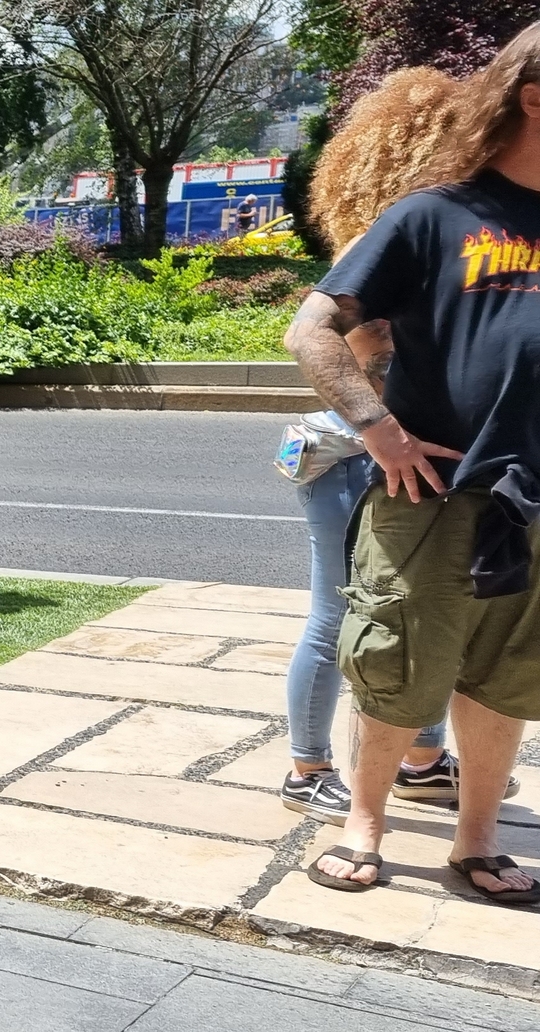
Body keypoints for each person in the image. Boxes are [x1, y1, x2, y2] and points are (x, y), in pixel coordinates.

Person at [284, 23, 540, 905]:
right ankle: (363, 824)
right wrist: (377, 429)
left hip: (534, 502)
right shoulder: (436, 215)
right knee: (394, 664)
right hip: (435, 491)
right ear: (533, 97)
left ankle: (476, 842)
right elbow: (311, 327)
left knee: (507, 675)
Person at [281, 69, 489, 825]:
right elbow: (346, 346)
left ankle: (422, 758)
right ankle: (308, 767)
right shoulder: (399, 235)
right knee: (339, 614)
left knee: (426, 615)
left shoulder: (450, 230)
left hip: (408, 459)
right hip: (357, 457)